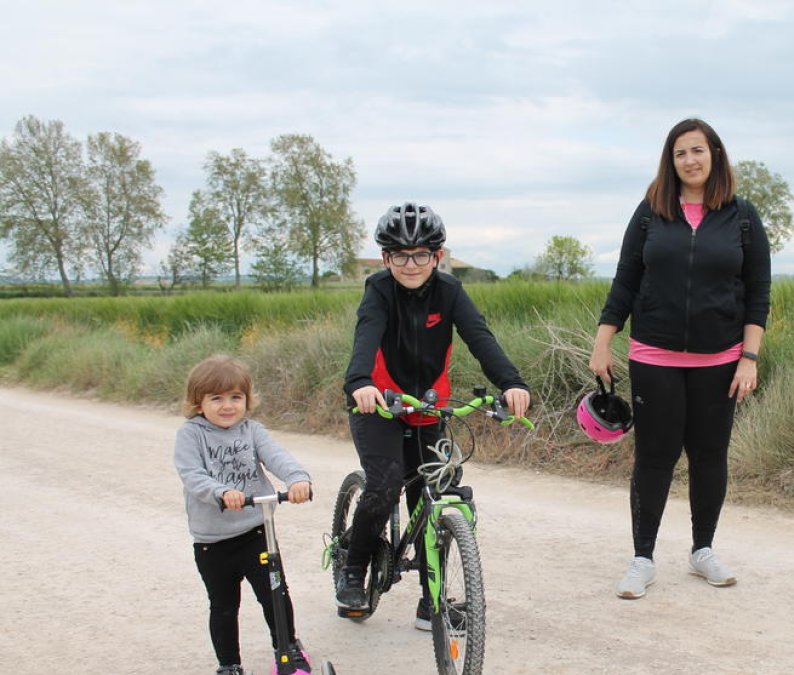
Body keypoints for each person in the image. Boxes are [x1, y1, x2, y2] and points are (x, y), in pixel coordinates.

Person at [590, 118, 771, 600]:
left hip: (721, 361)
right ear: (670, 162)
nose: (689, 160)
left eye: (697, 150)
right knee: (655, 457)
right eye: (679, 153)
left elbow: (758, 294)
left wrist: (748, 357)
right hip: (655, 356)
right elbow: (626, 280)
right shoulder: (651, 213)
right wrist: (603, 340)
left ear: (715, 154)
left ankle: (702, 550)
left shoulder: (744, 217)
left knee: (709, 457)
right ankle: (642, 559)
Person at [336, 202, 532, 629]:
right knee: (386, 482)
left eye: (421, 253)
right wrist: (359, 383)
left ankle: (433, 600)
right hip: (380, 404)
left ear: (438, 256)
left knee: (435, 492)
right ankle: (354, 568)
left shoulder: (450, 292)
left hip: (428, 407)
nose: (411, 264)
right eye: (400, 255)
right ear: (386, 259)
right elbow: (366, 336)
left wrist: (512, 383)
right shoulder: (378, 290)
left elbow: (480, 338)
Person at [173, 354, 314, 675]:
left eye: (236, 397)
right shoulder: (190, 435)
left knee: (274, 594)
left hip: (256, 531)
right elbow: (192, 475)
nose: (227, 406)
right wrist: (221, 493)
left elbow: (277, 456)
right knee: (223, 606)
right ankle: (229, 665)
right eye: (216, 398)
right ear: (198, 402)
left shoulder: (252, 431)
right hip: (213, 540)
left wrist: (297, 478)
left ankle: (287, 649)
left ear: (247, 400)